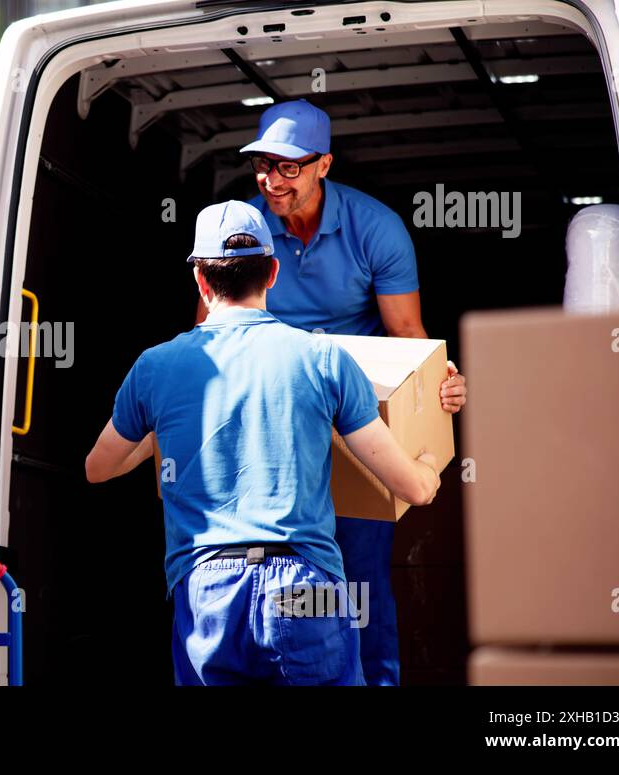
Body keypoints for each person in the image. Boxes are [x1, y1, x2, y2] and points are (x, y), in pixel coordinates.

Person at [86, 201, 441, 685]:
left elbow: (98, 468)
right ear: (273, 272)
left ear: (200, 280)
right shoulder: (323, 359)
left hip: (207, 591)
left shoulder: (155, 366)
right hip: (305, 584)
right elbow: (413, 489)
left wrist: (166, 423)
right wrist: (430, 463)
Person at [199, 99, 469, 685]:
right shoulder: (242, 227)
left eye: (288, 167)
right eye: (262, 166)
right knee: (267, 567)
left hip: (358, 415)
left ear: (324, 164)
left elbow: (407, 338)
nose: (272, 181)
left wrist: (436, 385)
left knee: (359, 576)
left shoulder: (376, 229)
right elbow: (209, 333)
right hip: (268, 415)